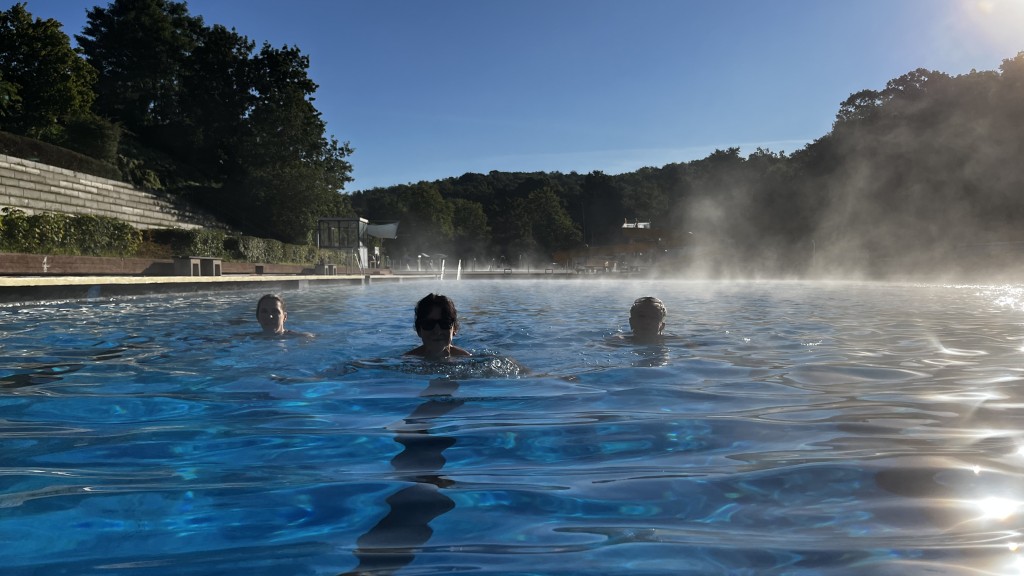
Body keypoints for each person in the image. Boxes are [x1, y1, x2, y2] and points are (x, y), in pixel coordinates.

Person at [405, 293, 471, 360]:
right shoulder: (407, 360)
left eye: (444, 323)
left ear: (454, 329)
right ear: (418, 330)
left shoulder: (466, 359)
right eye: (429, 324)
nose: (437, 331)